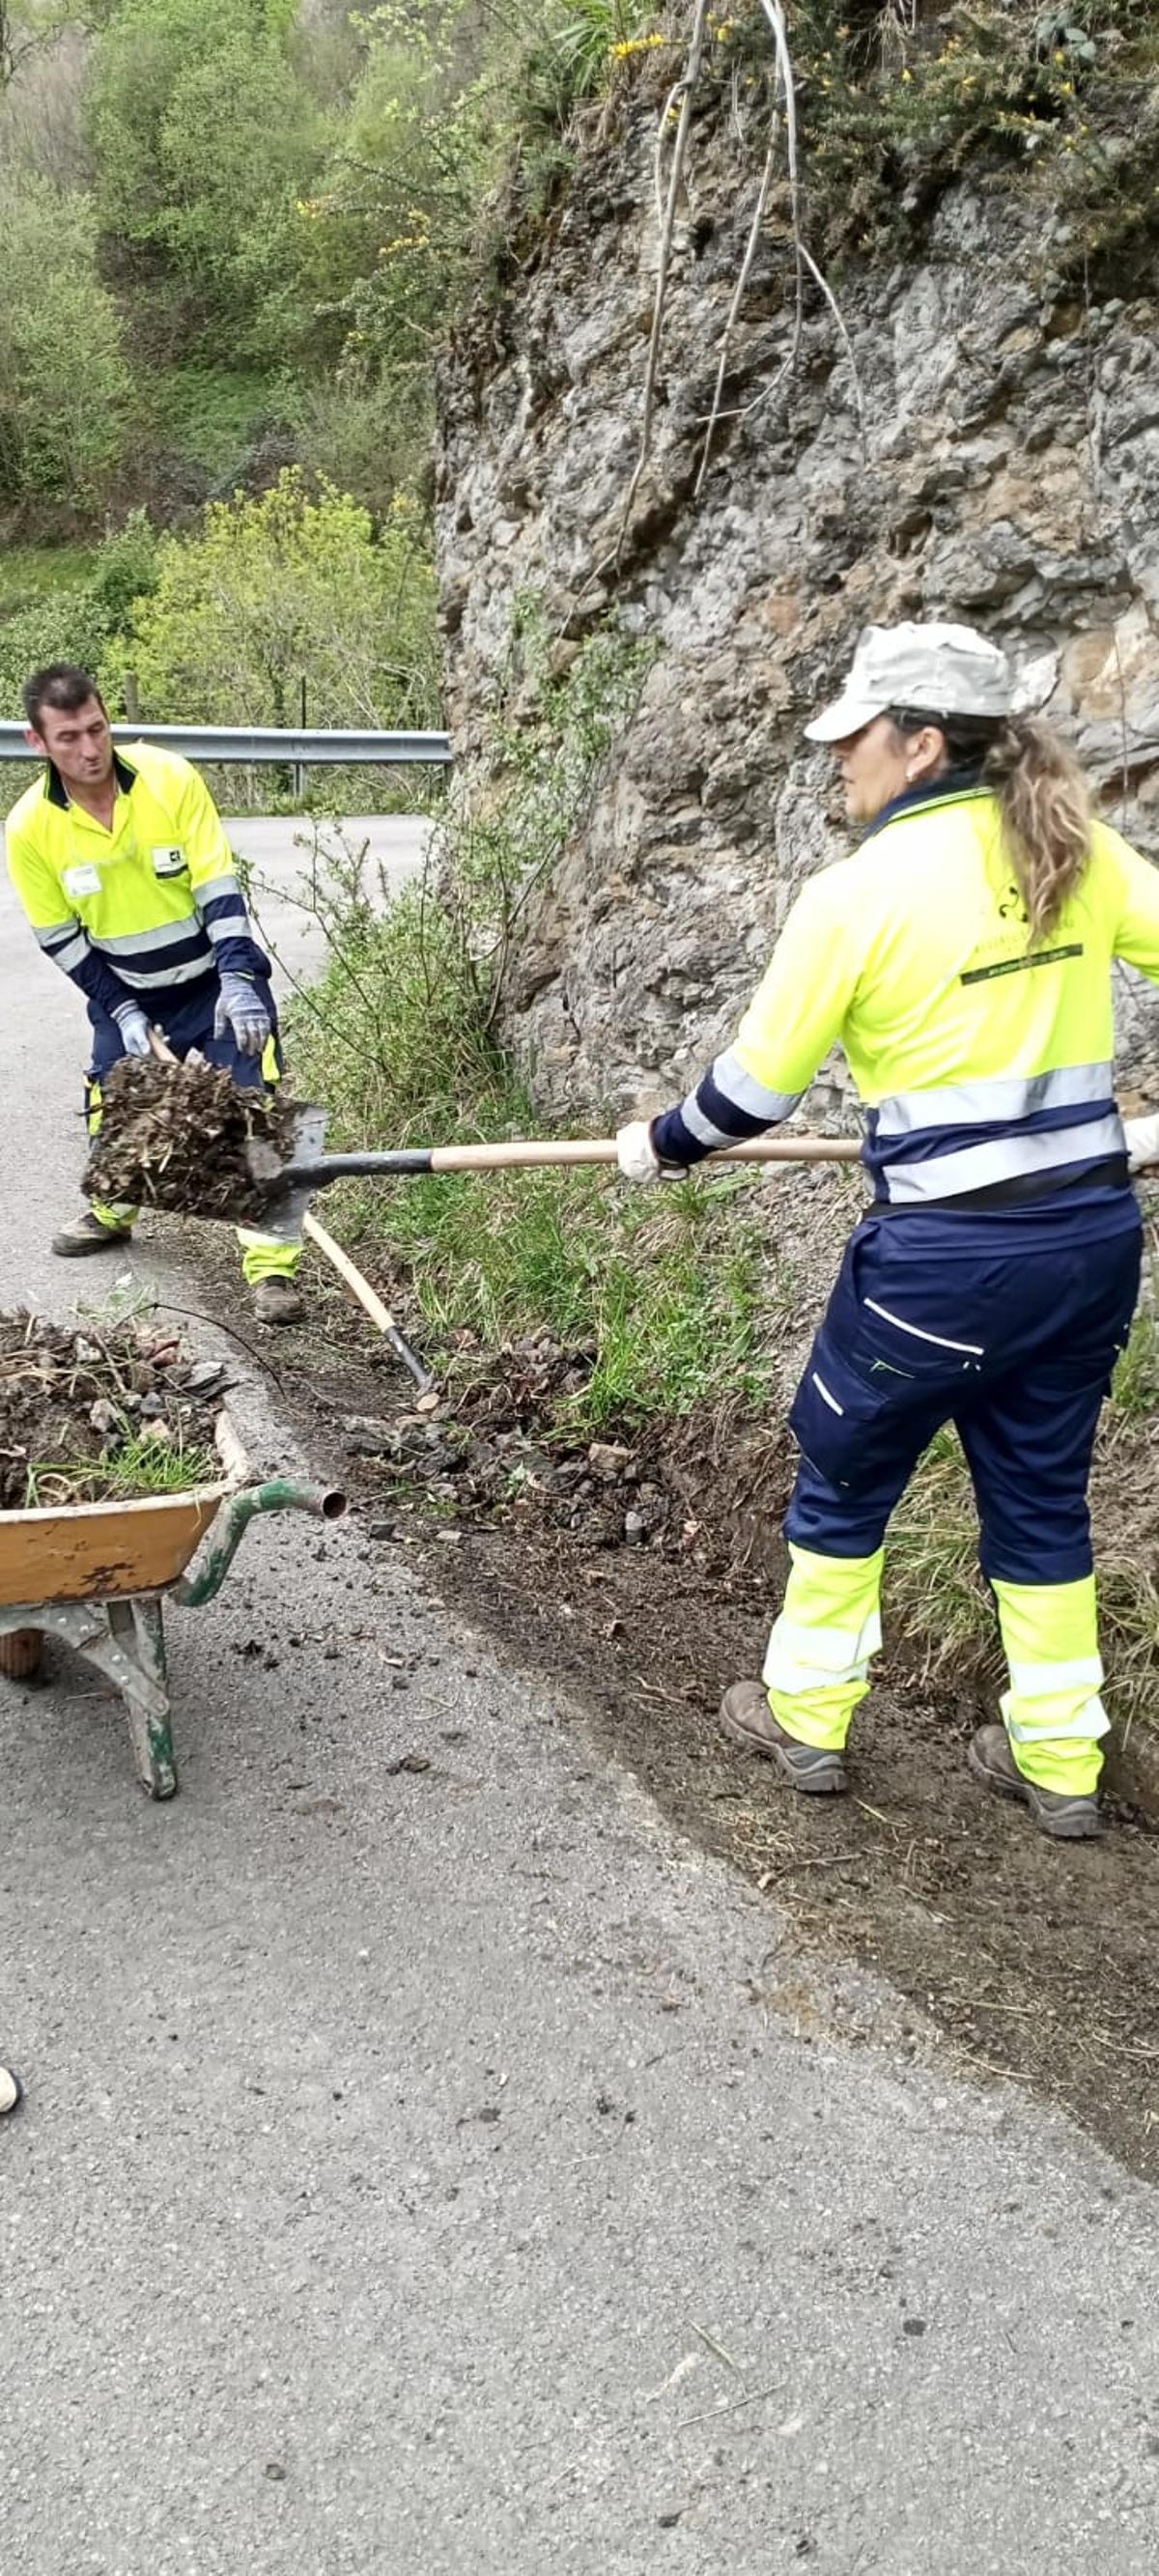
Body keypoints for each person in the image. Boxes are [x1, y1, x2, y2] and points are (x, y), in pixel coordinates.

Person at [617, 619, 1159, 1841]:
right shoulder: (1075, 850)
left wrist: (658, 1143)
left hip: (944, 1268)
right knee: (1041, 1494)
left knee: (850, 1471)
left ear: (918, 746)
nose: (837, 762)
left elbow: (753, 1092)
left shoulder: (856, 896)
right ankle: (1060, 1760)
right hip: (1086, 1254)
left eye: (853, 737)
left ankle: (805, 1719)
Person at [5, 665, 305, 1324]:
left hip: (215, 981)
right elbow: (62, 939)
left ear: (107, 718)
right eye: (69, 738)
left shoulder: (169, 778)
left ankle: (272, 1269)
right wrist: (123, 1010)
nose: (89, 750)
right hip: (132, 993)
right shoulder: (30, 829)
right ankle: (114, 1211)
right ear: (38, 741)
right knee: (114, 1101)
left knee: (257, 1109)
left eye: (97, 729)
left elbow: (218, 885)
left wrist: (235, 976)